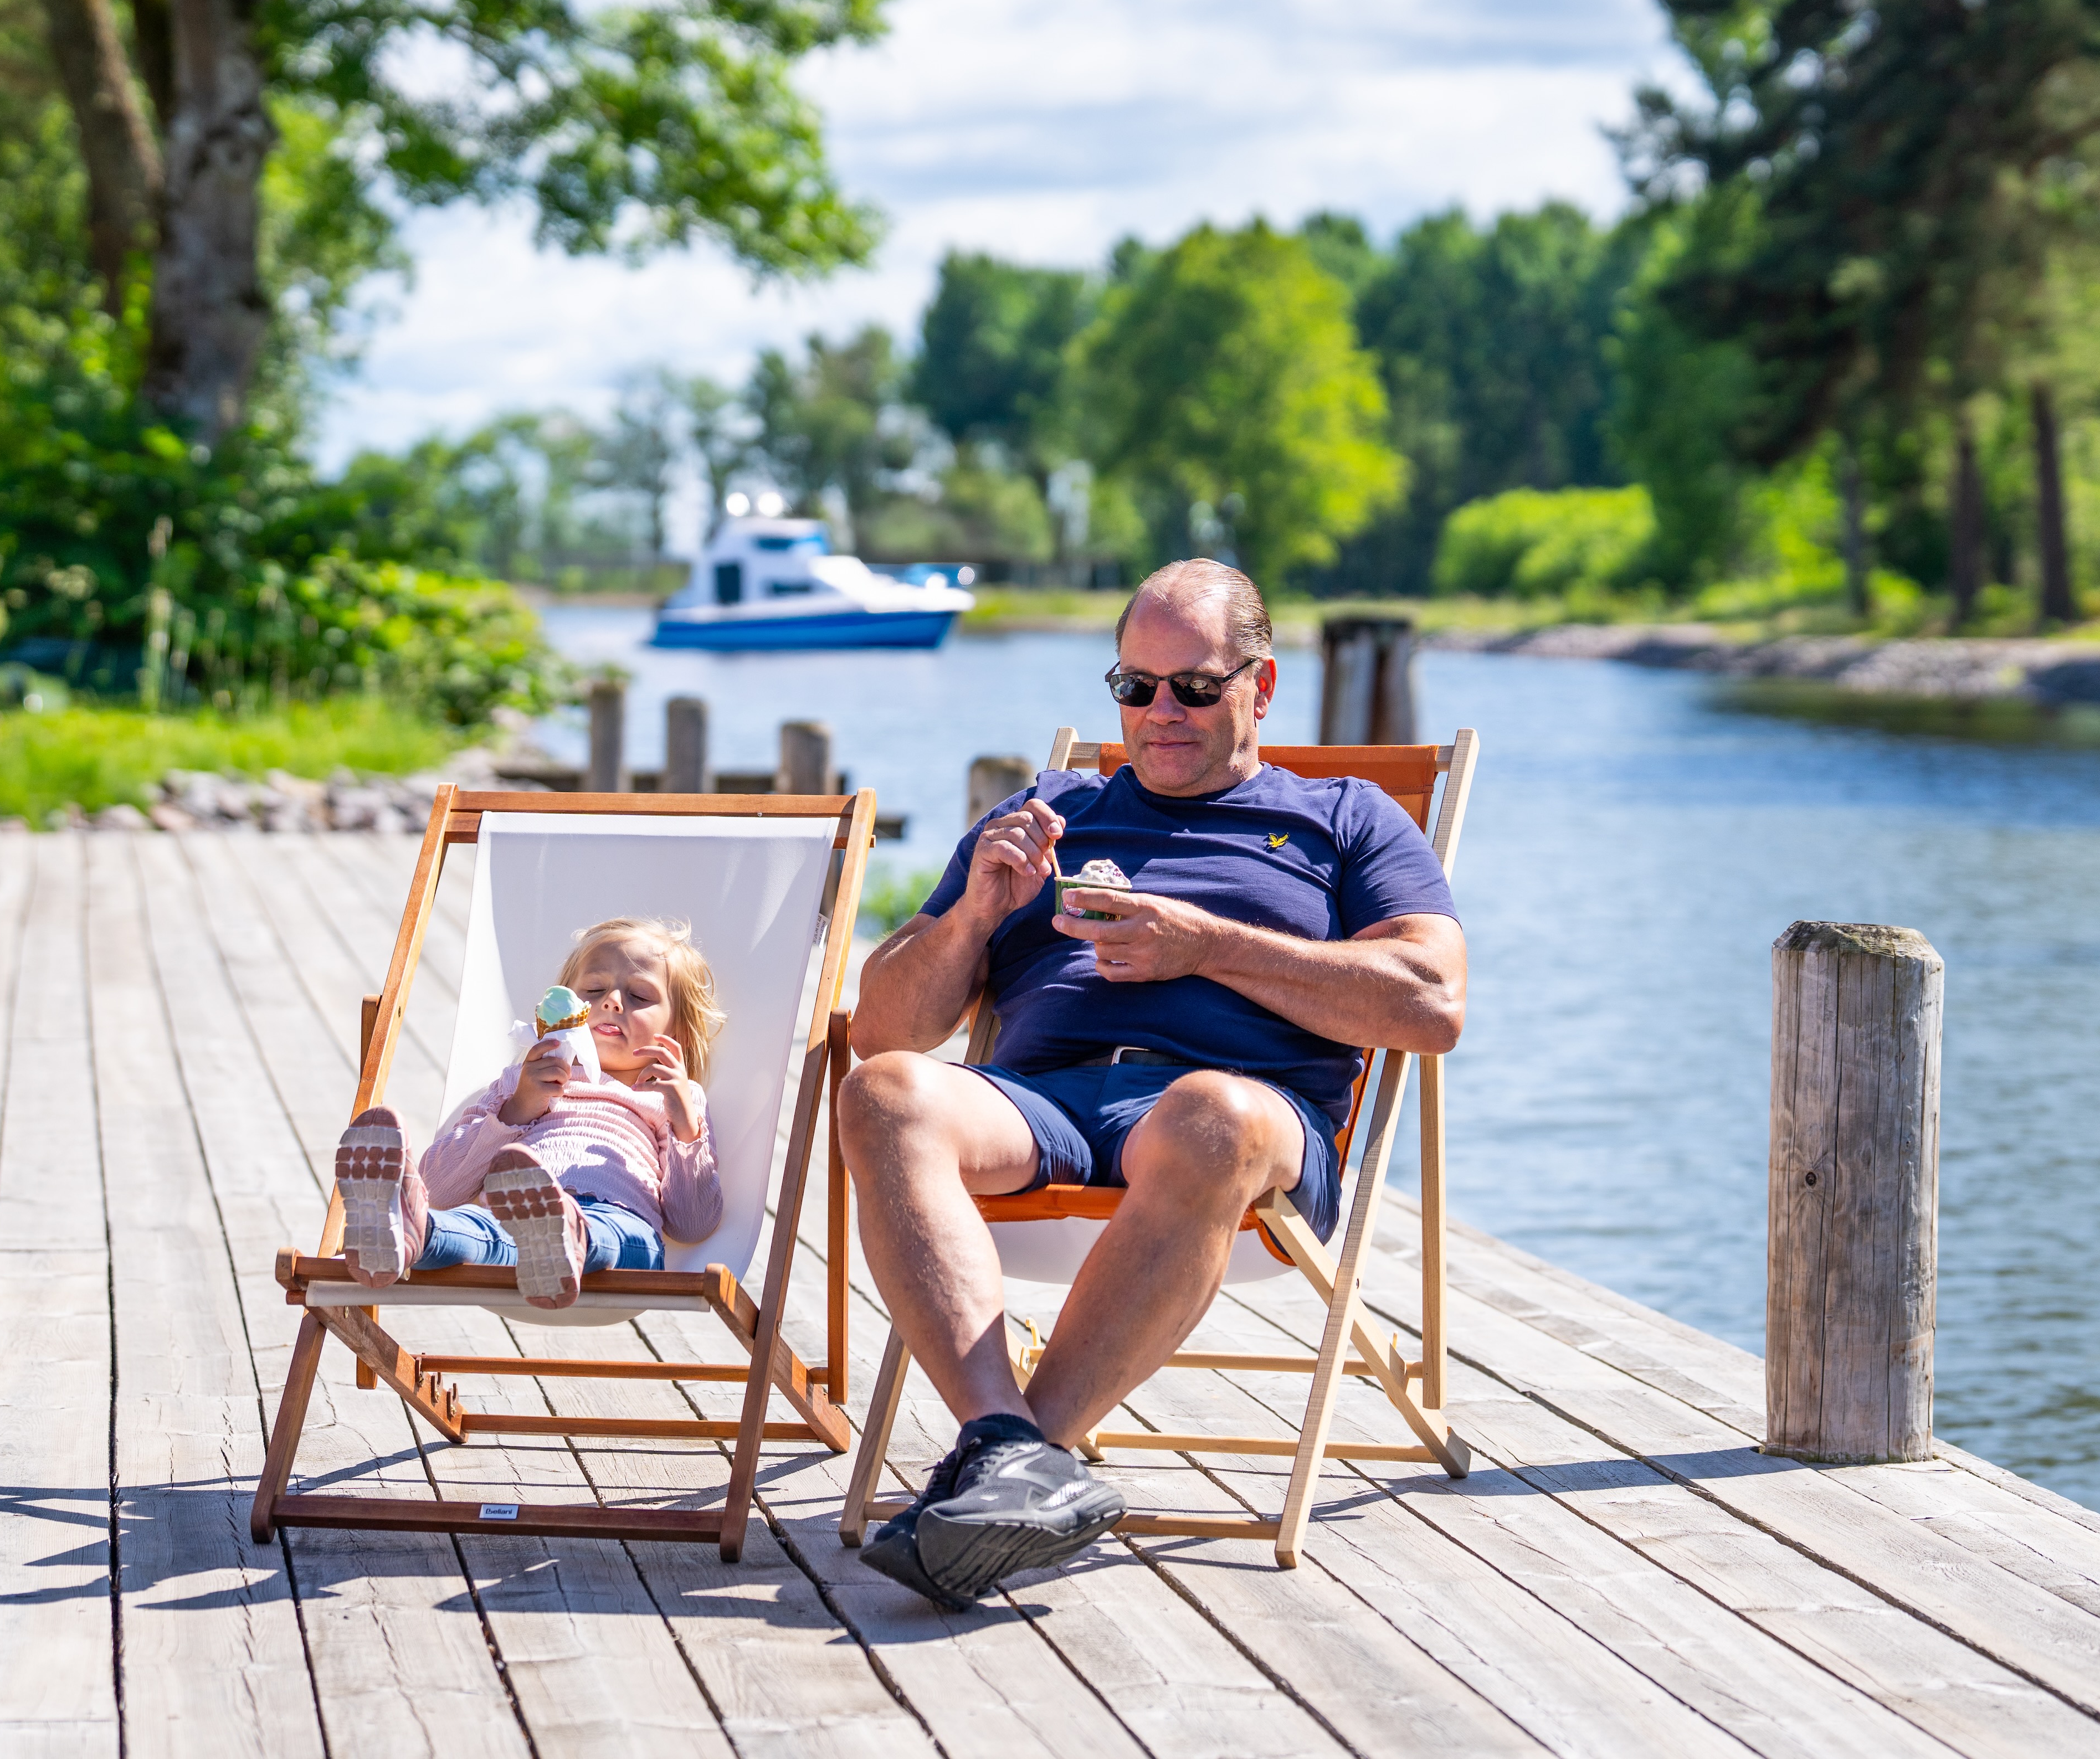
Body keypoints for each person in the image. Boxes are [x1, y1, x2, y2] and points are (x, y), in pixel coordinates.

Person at [839, 559, 1468, 1608]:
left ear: (1260, 687)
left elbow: (1430, 1003)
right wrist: (974, 914)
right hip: (1040, 1105)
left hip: (1236, 1125)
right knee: (890, 1092)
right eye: (1134, 686)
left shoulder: (1347, 818)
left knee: (1206, 1112)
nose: (1159, 711)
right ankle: (1012, 1449)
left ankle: (1010, 1461)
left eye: (1193, 685)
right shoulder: (1048, 809)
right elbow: (885, 1028)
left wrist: (1207, 946)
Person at [332, 916, 725, 1310]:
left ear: (678, 1035)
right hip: (515, 1226)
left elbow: (691, 1225)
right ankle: (402, 1234)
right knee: (471, 1231)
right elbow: (440, 1188)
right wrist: (518, 1109)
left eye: (639, 996)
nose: (611, 1001)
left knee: (609, 1235)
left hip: (622, 1231)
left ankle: (566, 1234)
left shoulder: (674, 1099)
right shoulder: (521, 1082)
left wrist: (685, 1128)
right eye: (593, 989)